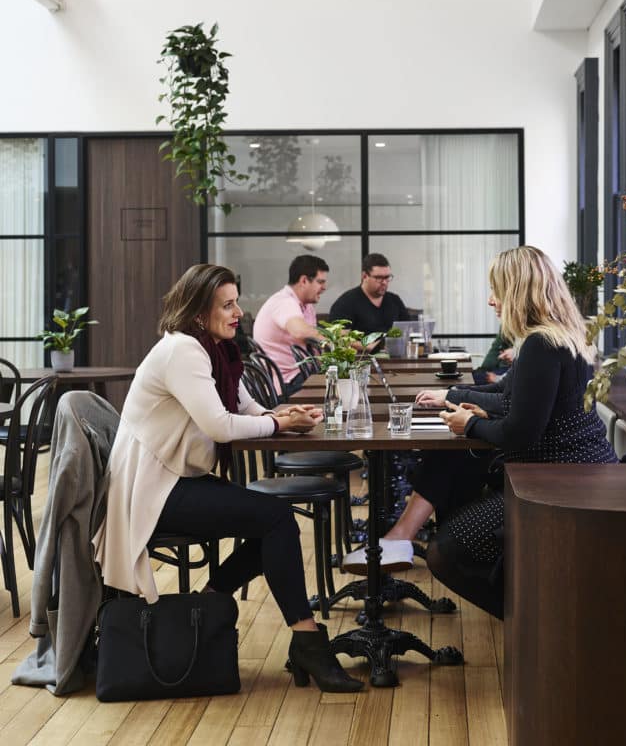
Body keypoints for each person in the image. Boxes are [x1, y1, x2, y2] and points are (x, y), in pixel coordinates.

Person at [93, 264, 363, 693]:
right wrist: (277, 427)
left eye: (237, 302)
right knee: (275, 519)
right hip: (152, 493)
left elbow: (245, 408)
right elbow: (220, 426)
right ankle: (305, 640)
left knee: (272, 521)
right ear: (200, 312)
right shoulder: (183, 351)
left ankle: (219, 603)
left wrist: (283, 417)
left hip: (174, 481)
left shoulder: (215, 351)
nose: (239, 312)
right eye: (228, 305)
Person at [343, 246, 617, 619]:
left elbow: (521, 432)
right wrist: (454, 398)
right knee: (456, 456)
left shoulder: (540, 344)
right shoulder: (559, 335)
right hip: (574, 473)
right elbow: (511, 395)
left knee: (445, 552)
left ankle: (534, 623)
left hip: (554, 485)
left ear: (517, 292)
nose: (491, 301)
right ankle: (404, 538)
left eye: (497, 291)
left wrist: (468, 423)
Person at [253, 255, 329, 397]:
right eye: (320, 282)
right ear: (304, 280)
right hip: (288, 383)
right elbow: (300, 331)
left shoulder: (306, 305)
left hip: (300, 375)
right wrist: (333, 340)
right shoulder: (284, 302)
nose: (324, 288)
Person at [328, 253, 410, 334]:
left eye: (387, 277)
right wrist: (369, 346)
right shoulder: (346, 302)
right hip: (363, 347)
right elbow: (337, 337)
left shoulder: (394, 300)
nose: (384, 282)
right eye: (379, 278)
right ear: (364, 276)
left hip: (392, 346)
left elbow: (409, 328)